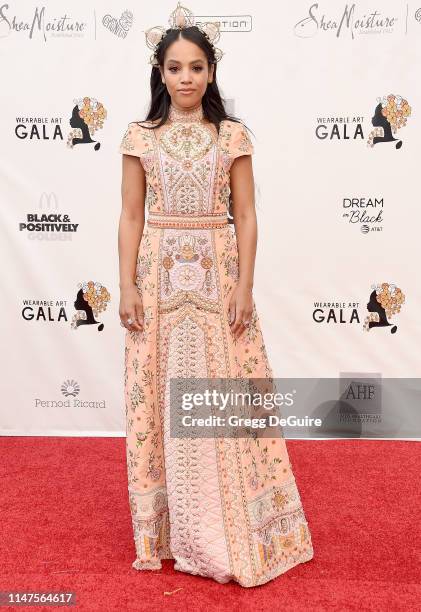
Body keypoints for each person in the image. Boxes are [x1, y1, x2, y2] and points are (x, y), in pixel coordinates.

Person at [118, 2, 313, 587]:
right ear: (159, 72)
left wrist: (245, 285)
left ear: (211, 71)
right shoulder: (139, 137)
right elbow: (130, 216)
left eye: (196, 67)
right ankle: (173, 532)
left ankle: (230, 529)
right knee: (159, 399)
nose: (185, 78)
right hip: (156, 282)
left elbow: (247, 215)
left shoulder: (231, 136)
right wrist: (125, 282)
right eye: (174, 67)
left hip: (219, 275)